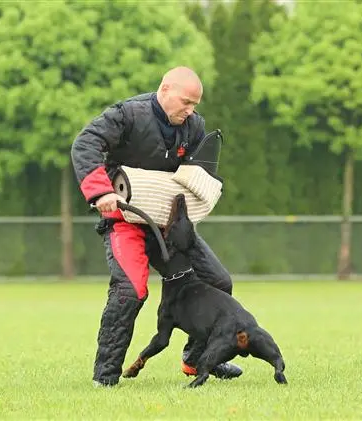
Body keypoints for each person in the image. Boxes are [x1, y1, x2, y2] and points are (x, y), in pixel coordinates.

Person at [71, 66, 243, 387]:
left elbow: (194, 174)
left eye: (195, 104)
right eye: (186, 102)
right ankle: (105, 377)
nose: (190, 111)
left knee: (217, 281)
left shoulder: (194, 127)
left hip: (167, 224)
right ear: (165, 89)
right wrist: (101, 191)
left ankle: (196, 360)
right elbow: (85, 143)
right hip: (124, 220)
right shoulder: (128, 115)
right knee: (130, 291)